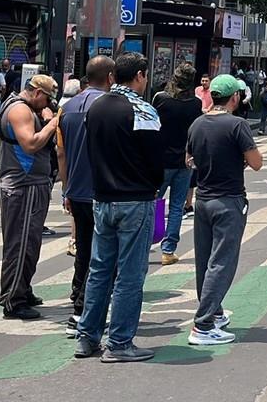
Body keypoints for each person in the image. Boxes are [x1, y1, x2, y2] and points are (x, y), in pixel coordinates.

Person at [75, 53, 165, 362]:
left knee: (100, 269)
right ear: (139, 75)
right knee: (129, 274)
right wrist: (154, 184)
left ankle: (87, 337)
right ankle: (120, 343)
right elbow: (157, 161)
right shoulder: (143, 110)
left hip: (102, 198)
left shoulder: (96, 106)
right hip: (135, 198)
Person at [186, 74, 262, 345]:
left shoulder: (197, 124)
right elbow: (256, 163)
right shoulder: (237, 125)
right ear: (235, 97)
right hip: (228, 199)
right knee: (222, 263)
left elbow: (189, 160)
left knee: (204, 262)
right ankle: (203, 325)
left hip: (203, 199)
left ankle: (214, 312)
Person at [56, 55, 114, 338]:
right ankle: (82, 310)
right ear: (110, 77)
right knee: (101, 255)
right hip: (102, 190)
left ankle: (77, 297)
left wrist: (66, 189)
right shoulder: (107, 107)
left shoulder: (67, 109)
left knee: (83, 248)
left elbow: (61, 153)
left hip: (76, 189)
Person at [0, 73, 61, 320]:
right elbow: (30, 144)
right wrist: (52, 124)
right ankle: (14, 299)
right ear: (37, 93)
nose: (48, 104)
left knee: (29, 243)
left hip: (32, 185)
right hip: (23, 186)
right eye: (47, 98)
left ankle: (22, 288)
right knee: (20, 244)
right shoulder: (19, 110)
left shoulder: (26, 108)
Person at [153, 63, 204, 264]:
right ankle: (168, 250)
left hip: (161, 160)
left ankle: (145, 243)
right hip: (185, 160)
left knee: (153, 202)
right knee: (176, 206)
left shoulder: (160, 99)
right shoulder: (195, 103)